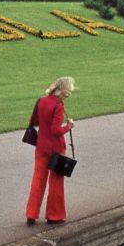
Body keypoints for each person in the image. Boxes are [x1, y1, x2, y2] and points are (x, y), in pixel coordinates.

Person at [25, 76, 76, 225]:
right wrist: (68, 126)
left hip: (41, 146)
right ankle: (54, 215)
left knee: (38, 180)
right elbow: (56, 130)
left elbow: (34, 121)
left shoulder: (41, 100)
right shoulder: (58, 105)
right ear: (64, 90)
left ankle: (31, 213)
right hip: (55, 148)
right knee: (55, 183)